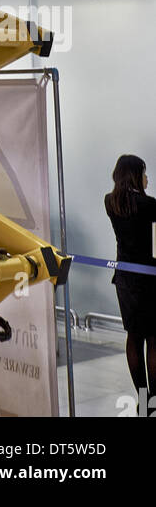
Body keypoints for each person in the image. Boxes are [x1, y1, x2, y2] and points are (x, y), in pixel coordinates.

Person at [104, 154, 156, 408]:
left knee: (134, 337)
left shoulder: (110, 202)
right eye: (144, 173)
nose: (148, 178)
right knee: (154, 339)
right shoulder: (148, 205)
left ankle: (143, 401)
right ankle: (155, 401)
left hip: (124, 279)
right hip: (149, 279)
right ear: (136, 175)